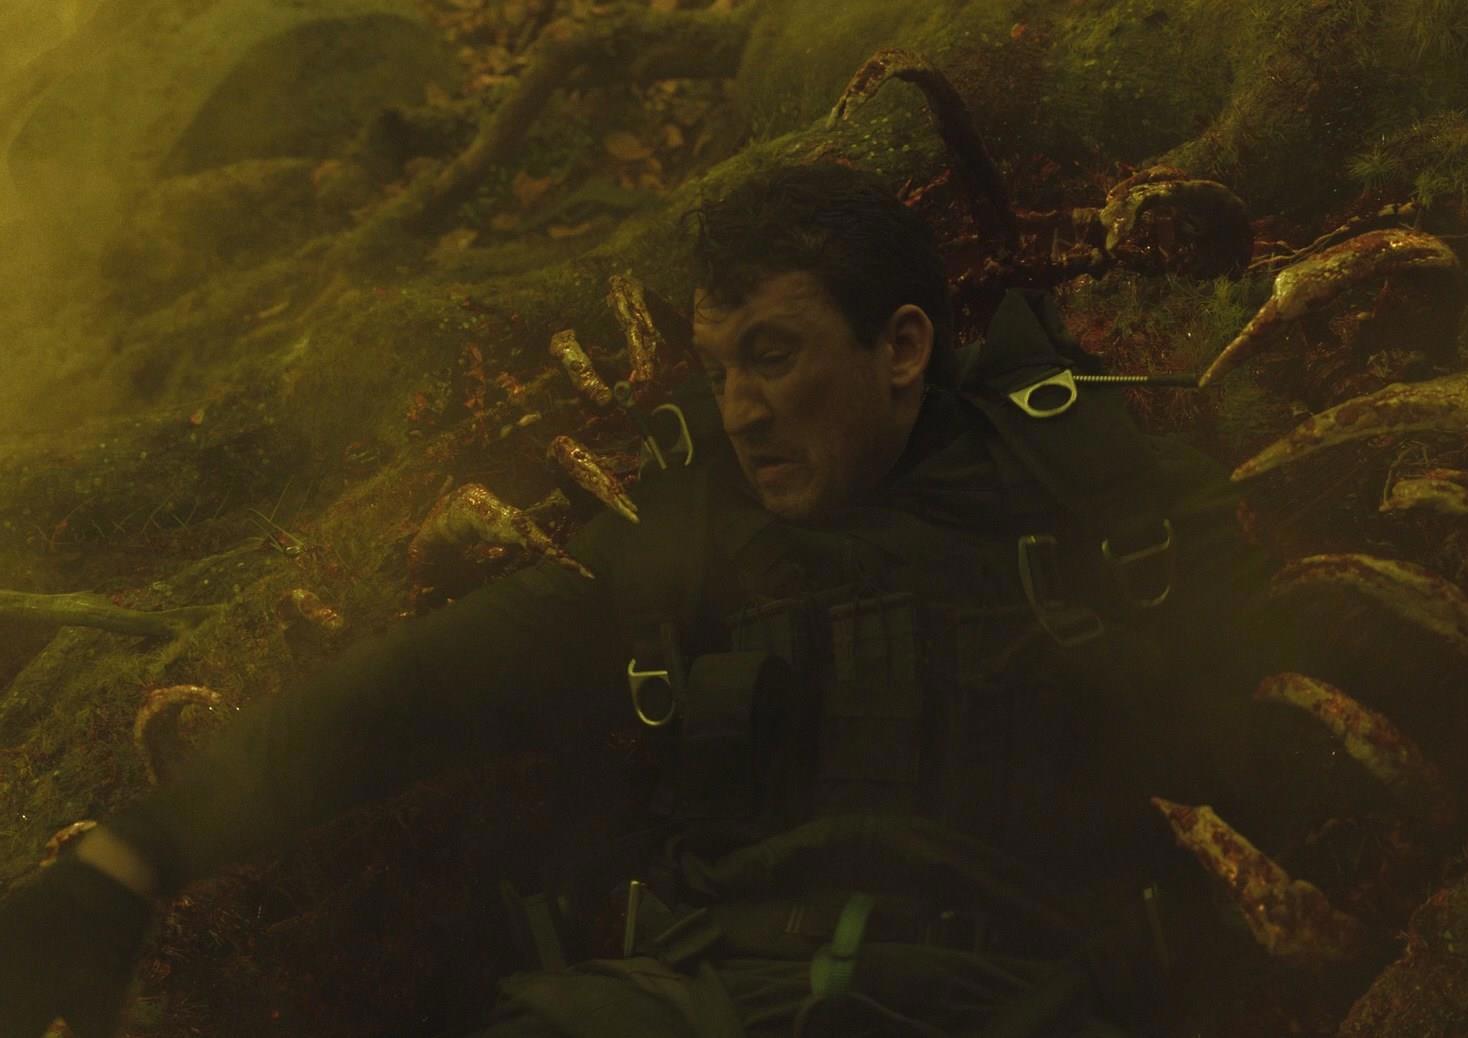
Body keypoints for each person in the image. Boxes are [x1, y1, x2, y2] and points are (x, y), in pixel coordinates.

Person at [0, 163, 1285, 1037]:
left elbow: (1270, 757)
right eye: (720, 369)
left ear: (901, 347)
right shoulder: (684, 553)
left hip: (1000, 999)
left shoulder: (1093, 519)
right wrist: (130, 861)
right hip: (697, 1001)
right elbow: (413, 696)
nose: (742, 411)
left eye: (773, 357)